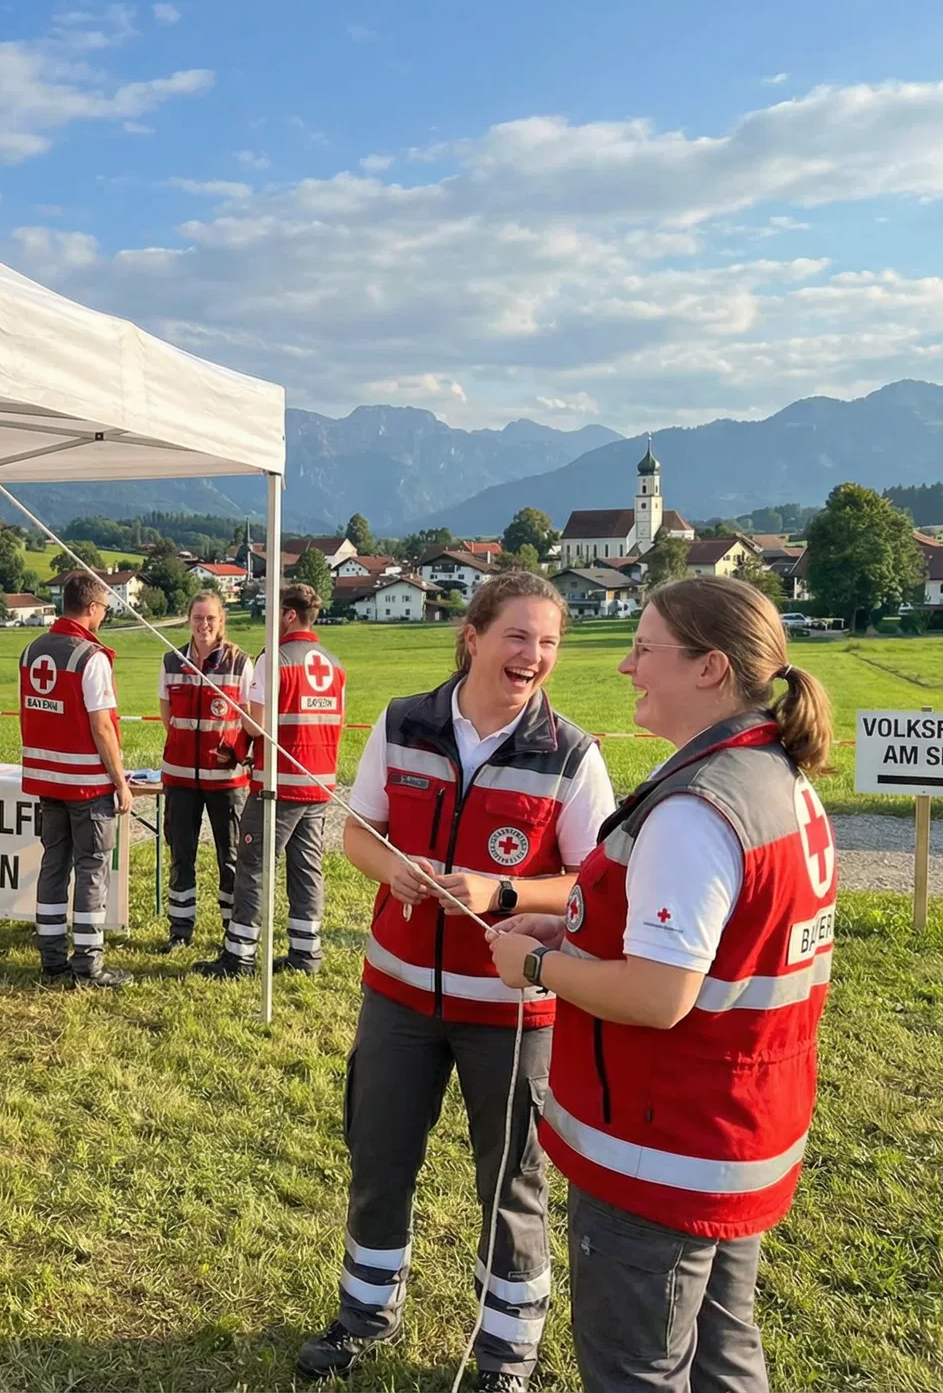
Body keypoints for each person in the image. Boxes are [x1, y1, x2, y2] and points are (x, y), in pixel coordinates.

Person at [487, 575, 840, 1393]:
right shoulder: (774, 777)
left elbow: (660, 994)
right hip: (734, 1133)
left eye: (645, 648)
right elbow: (716, 946)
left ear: (710, 668)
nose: (626, 666)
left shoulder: (698, 808)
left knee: (636, 1368)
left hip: (664, 1151)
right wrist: (569, 932)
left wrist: (536, 966)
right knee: (723, 1348)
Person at [295, 570, 616, 1391]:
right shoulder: (403, 721)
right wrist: (392, 868)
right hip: (397, 997)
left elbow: (593, 886)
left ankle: (505, 1355)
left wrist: (501, 892)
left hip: (510, 1012)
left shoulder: (572, 754)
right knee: (380, 1159)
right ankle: (365, 1317)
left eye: (548, 642)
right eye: (518, 636)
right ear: (472, 638)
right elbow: (358, 834)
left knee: (510, 1182)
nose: (534, 655)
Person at [195, 582, 344, 979]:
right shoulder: (333, 664)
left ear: (290, 615)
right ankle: (305, 952)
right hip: (319, 782)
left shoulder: (273, 659)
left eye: (274, 611)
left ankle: (239, 955)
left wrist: (239, 735)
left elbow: (256, 724)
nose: (269, 619)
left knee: (254, 866)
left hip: (278, 785)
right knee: (306, 868)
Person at [18, 571, 134, 989]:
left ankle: (51, 961)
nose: (103, 616)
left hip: (46, 782)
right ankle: (88, 964)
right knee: (91, 869)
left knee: (53, 865)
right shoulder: (90, 657)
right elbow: (102, 726)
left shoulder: (31, 650)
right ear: (92, 608)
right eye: (104, 609)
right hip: (86, 783)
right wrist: (120, 781)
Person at [157, 590, 252, 952]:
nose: (204, 625)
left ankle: (232, 929)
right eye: (198, 618)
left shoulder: (239, 663)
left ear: (221, 621)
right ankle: (180, 931)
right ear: (189, 620)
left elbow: (249, 719)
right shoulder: (171, 660)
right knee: (181, 856)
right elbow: (167, 715)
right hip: (180, 778)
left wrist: (233, 751)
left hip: (226, 781)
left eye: (210, 618)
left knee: (231, 858)